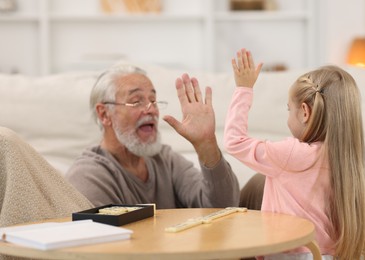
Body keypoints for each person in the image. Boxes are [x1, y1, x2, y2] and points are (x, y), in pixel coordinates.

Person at [223, 48, 365, 259]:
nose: (288, 118)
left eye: (289, 109)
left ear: (304, 112)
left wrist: (244, 88)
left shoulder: (291, 154)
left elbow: (233, 141)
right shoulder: (347, 161)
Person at [65, 65, 240, 209]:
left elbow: (222, 207)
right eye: (136, 101)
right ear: (104, 114)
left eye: (153, 100)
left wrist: (206, 144)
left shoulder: (165, 159)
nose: (151, 109)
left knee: (260, 183)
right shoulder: (89, 176)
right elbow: (102, 245)